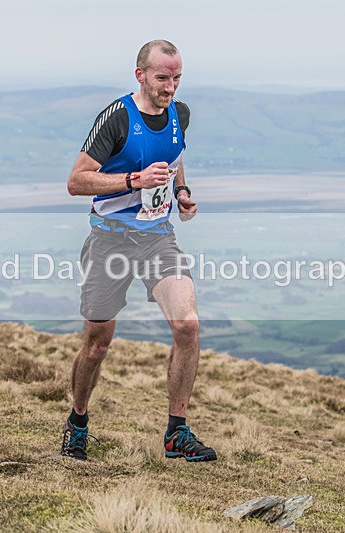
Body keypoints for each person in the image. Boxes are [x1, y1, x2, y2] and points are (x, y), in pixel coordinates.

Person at [61, 39, 216, 462]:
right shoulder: (117, 117)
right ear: (141, 75)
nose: (170, 87)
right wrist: (134, 180)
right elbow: (76, 181)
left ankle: (176, 432)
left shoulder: (180, 114)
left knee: (188, 326)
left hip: (157, 238)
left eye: (177, 78)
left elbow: (174, 157)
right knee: (97, 344)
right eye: (162, 78)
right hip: (109, 239)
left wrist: (181, 192)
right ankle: (77, 420)